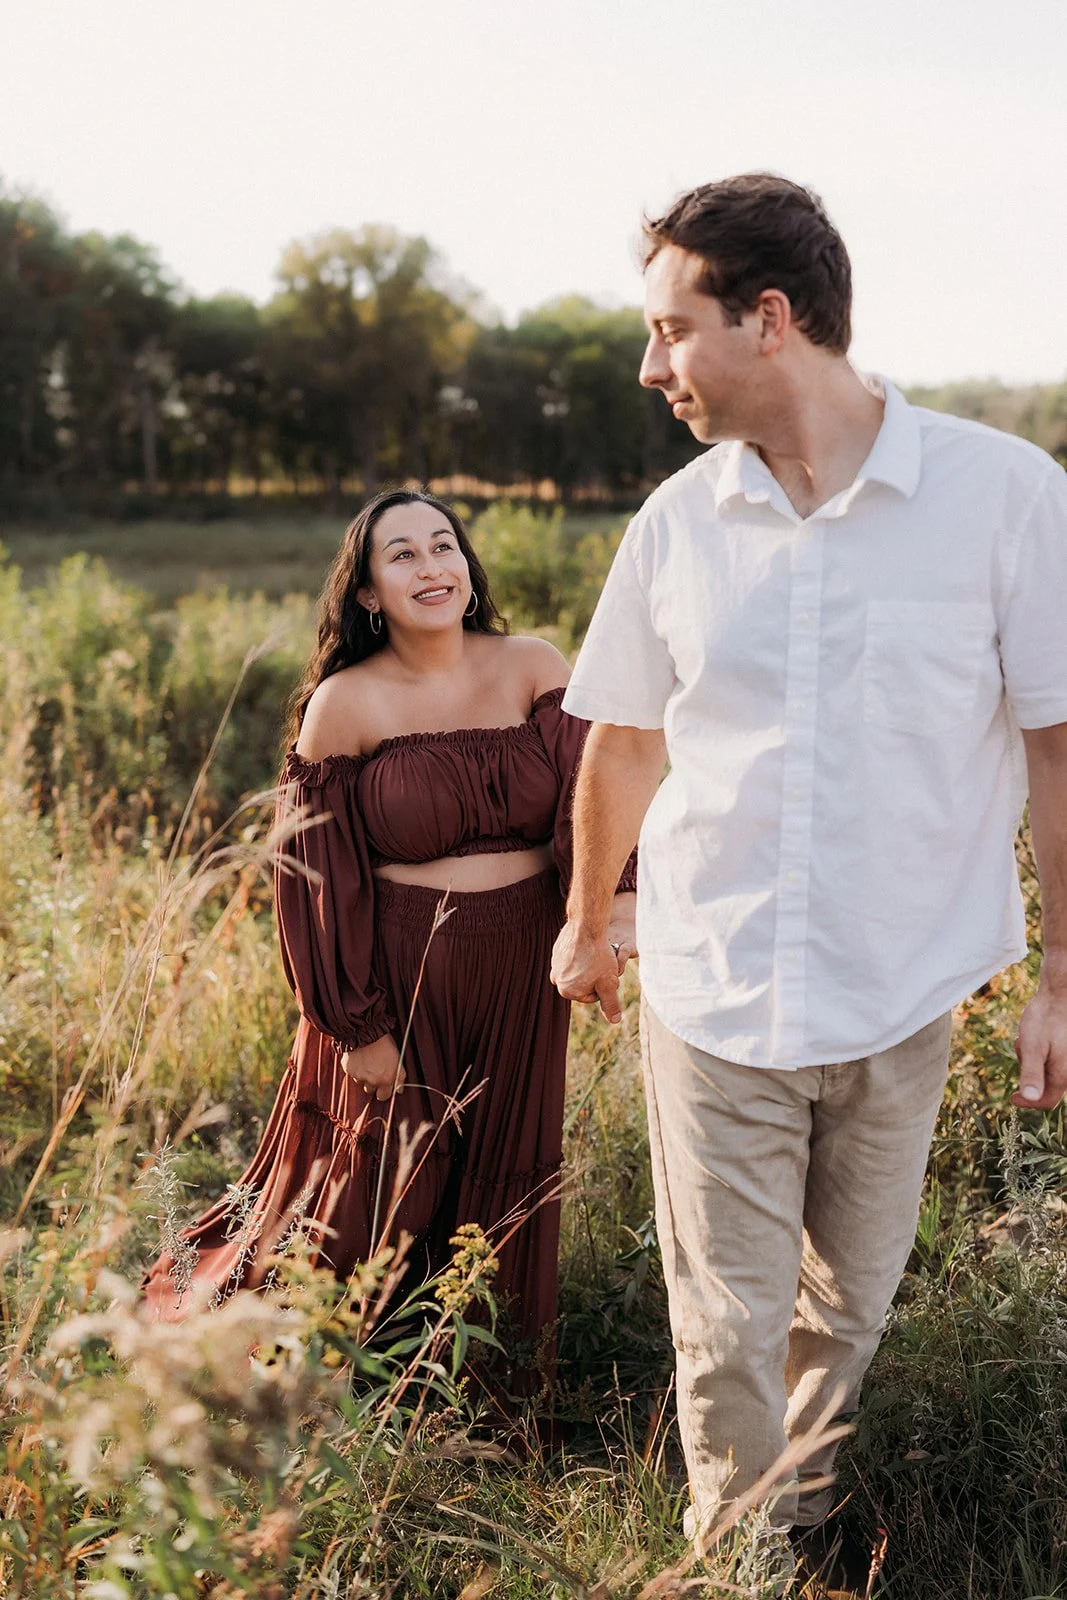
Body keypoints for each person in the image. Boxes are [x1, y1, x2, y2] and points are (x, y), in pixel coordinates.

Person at [550, 173, 1067, 1585]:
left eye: (670, 330)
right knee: (724, 1324)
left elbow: (1053, 751)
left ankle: (799, 1504)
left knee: (839, 1314)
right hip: (710, 989)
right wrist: (586, 920)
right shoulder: (675, 521)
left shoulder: (1004, 498)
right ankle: (745, 1564)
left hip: (901, 993)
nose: (649, 365)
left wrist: (1059, 980)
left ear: (766, 319)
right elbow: (621, 743)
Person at [145, 488, 637, 1392]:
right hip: (399, 977)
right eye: (401, 554)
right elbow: (312, 881)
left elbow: (592, 799)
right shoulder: (345, 703)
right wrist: (354, 1024)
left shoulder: (532, 664)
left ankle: (482, 1390)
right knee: (376, 1183)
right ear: (367, 591)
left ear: (467, 565)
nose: (430, 567)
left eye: (442, 546)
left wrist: (605, 920)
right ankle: (321, 1374)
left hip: (521, 970)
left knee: (503, 1170)